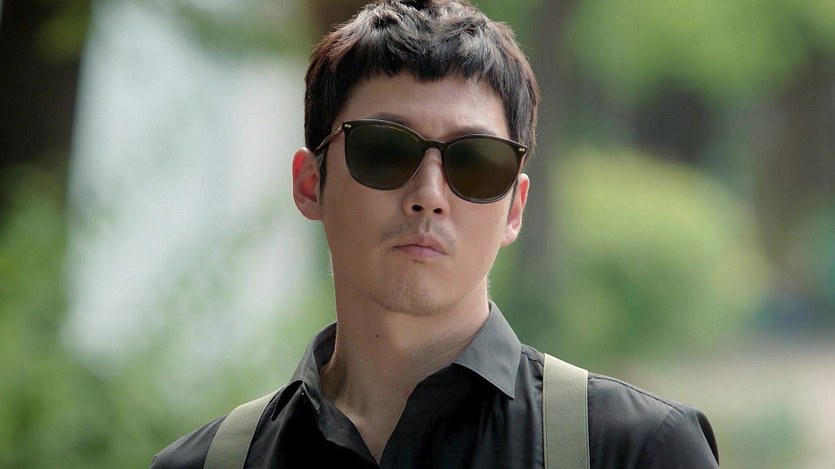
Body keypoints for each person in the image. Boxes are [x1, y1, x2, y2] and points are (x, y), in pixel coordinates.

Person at [151, 0, 720, 467]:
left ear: (515, 208)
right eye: (384, 149)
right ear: (309, 184)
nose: (429, 194)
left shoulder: (638, 451)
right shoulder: (203, 465)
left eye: (475, 161)